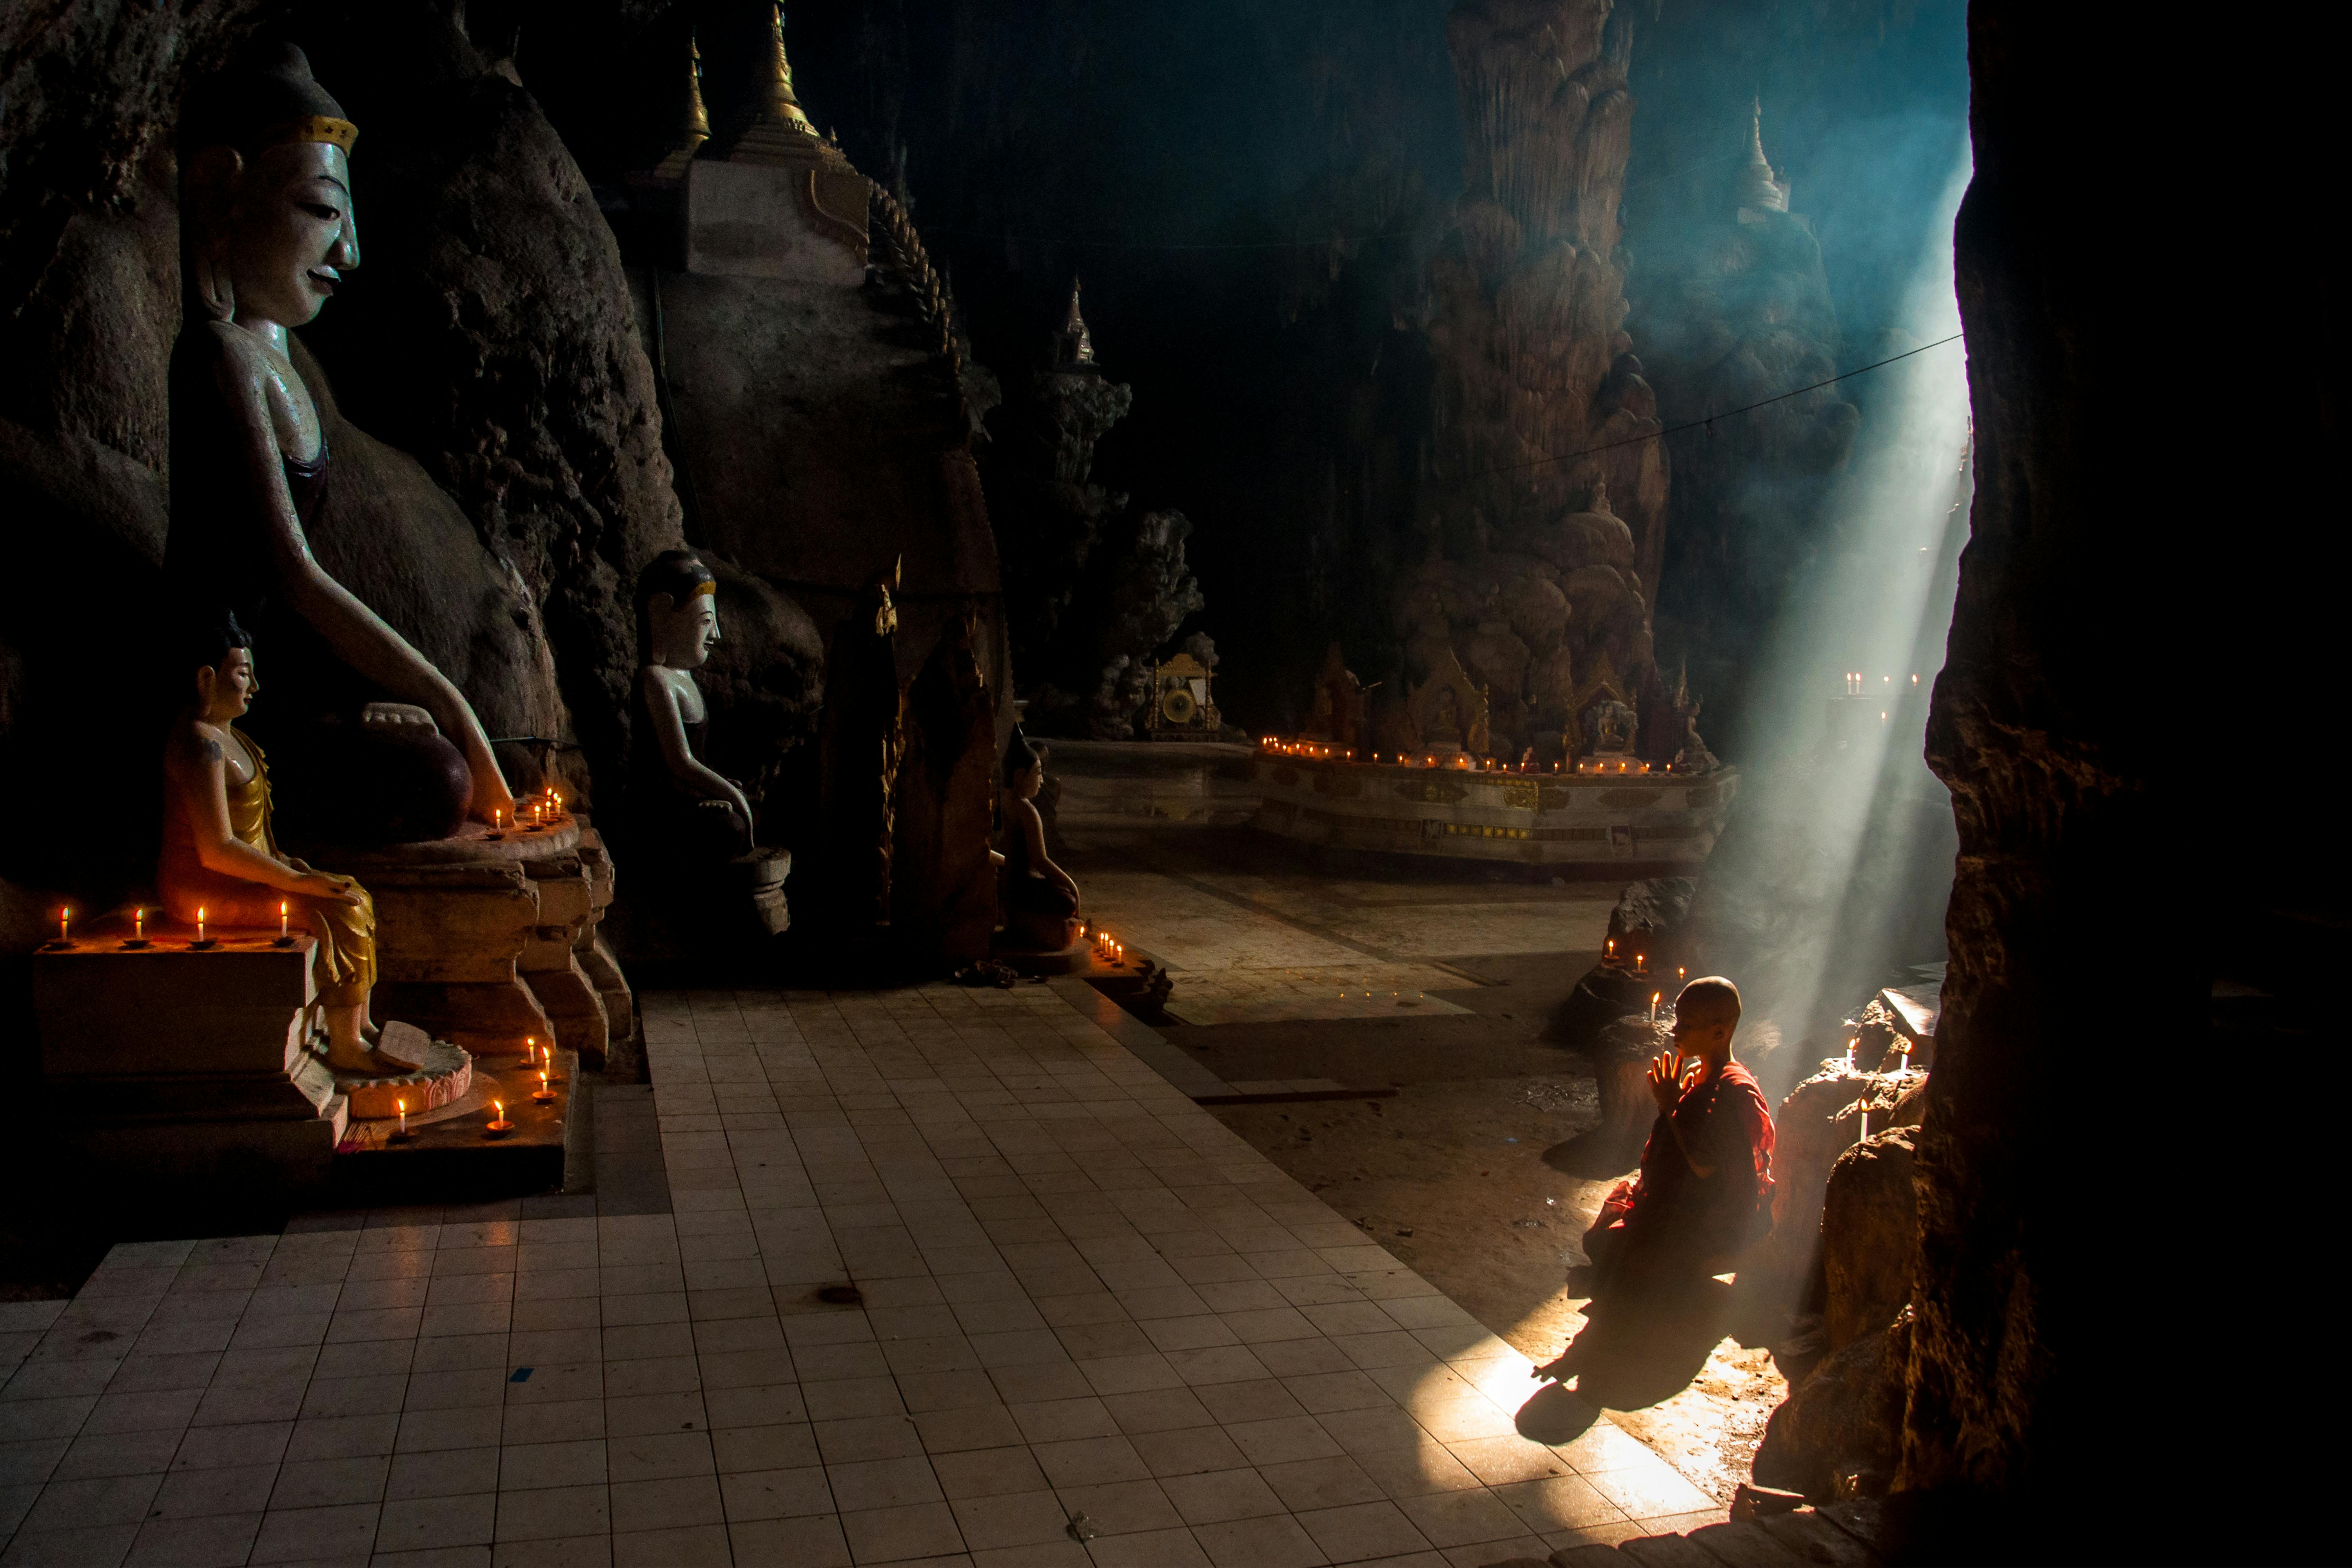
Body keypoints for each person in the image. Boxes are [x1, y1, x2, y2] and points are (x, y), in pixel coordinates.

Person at [167, 42, 514, 833]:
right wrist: (452, 705)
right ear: (221, 193)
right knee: (442, 775)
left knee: (430, 755)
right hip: (217, 700)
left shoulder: (275, 352)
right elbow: (294, 574)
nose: (350, 252)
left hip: (281, 680)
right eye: (323, 211)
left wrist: (365, 702)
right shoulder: (223, 355)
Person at [159, 612, 388, 1073]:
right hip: (205, 886)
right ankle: (344, 1045)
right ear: (207, 679)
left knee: (352, 893)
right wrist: (295, 883)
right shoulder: (198, 748)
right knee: (336, 909)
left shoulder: (230, 736)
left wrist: (291, 865)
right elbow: (218, 848)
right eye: (243, 674)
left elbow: (253, 832)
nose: (255, 687)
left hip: (248, 872)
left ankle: (359, 1025)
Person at [1538, 975, 1776, 1383]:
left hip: (1709, 1222)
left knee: (1623, 1265)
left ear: (1719, 1032)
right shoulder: (1705, 1076)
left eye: (1686, 1024)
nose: (1674, 1030)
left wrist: (1669, 1106)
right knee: (1603, 1241)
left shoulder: (1733, 1089)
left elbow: (1706, 1166)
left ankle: (1690, 1278)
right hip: (1680, 1207)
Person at [998, 727, 1080, 940]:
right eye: (1038, 773)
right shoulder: (1026, 810)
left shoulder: (1005, 802)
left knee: (1054, 887)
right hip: (1021, 887)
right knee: (1068, 902)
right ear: (1019, 776)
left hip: (1009, 883)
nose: (1042, 781)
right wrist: (1072, 885)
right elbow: (1040, 860)